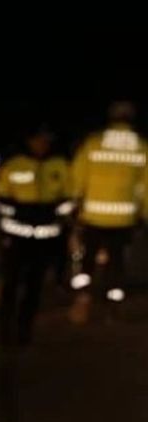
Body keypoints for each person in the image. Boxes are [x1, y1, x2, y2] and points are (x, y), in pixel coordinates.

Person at [0, 126, 71, 345]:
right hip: (16, 236)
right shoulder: (14, 165)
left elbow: (71, 197)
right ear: (29, 141)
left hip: (45, 237)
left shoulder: (60, 166)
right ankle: (4, 330)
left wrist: (56, 210)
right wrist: (17, 210)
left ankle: (24, 330)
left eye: (45, 140)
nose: (41, 144)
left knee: (34, 286)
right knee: (10, 284)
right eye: (37, 140)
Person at [69, 100, 148, 322]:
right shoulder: (142, 147)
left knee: (87, 260)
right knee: (117, 263)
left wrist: (73, 205)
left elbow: (77, 178)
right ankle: (112, 307)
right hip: (124, 219)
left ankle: (83, 298)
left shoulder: (94, 142)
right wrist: (144, 215)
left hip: (92, 217)